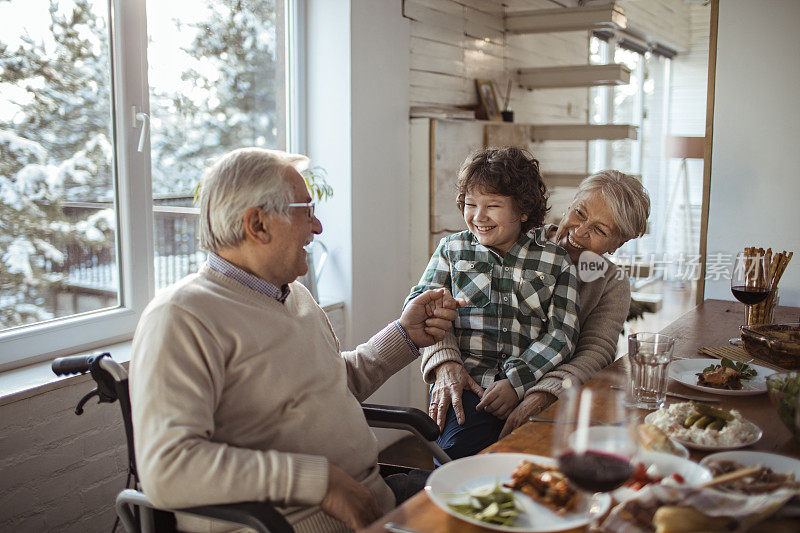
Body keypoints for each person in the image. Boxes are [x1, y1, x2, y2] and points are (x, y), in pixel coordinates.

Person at [129, 147, 464, 533]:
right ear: (258, 225)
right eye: (306, 210)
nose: (317, 227)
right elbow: (168, 469)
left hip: (372, 496)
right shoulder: (181, 317)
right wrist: (320, 482)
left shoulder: (292, 294)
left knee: (510, 499)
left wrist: (405, 335)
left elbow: (332, 386)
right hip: (295, 523)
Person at [422, 169, 651, 445]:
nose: (580, 231)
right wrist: (446, 361)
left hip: (551, 392)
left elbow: (594, 351)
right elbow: (431, 303)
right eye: (579, 213)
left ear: (618, 244)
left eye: (600, 230)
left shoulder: (612, 282)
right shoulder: (508, 236)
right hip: (472, 387)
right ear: (569, 204)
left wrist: (539, 394)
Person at [406, 147, 580, 461]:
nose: (478, 216)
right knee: (454, 457)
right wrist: (447, 363)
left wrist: (518, 382)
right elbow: (420, 308)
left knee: (540, 462)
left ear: (523, 210)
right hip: (468, 388)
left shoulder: (556, 260)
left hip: (529, 386)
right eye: (470, 204)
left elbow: (562, 334)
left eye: (493, 205)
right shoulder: (451, 249)